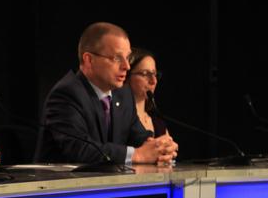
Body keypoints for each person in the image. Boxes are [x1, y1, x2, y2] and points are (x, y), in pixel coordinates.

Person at [35, 22, 177, 165]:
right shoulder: (67, 94)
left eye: (127, 58)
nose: (126, 66)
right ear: (89, 60)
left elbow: (138, 136)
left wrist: (159, 147)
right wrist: (137, 155)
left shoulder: (123, 94)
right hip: (63, 185)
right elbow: (79, 149)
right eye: (117, 58)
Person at [126, 48, 170, 140]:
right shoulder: (116, 119)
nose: (153, 81)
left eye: (154, 74)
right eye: (145, 74)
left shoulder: (159, 124)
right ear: (126, 76)